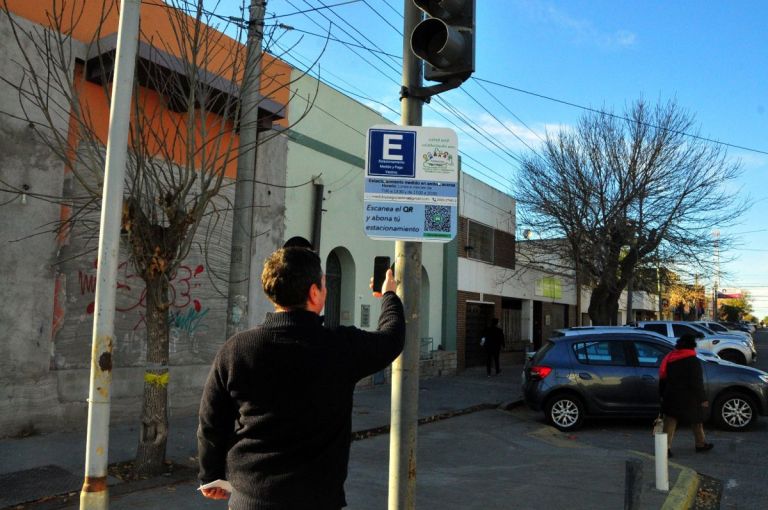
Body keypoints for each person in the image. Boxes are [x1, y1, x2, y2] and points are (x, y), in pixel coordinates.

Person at [197, 247, 405, 509]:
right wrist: (389, 295)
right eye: (324, 284)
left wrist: (211, 474)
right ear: (314, 292)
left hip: (250, 501)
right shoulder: (340, 347)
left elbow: (211, 420)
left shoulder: (237, 349)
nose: (326, 291)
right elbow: (392, 338)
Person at [658, 333, 713, 456]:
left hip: (671, 395)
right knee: (696, 420)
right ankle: (700, 444)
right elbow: (696, 382)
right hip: (689, 397)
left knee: (670, 421)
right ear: (692, 346)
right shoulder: (692, 361)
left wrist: (662, 395)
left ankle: (665, 449)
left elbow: (663, 377)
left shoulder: (670, 358)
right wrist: (703, 398)